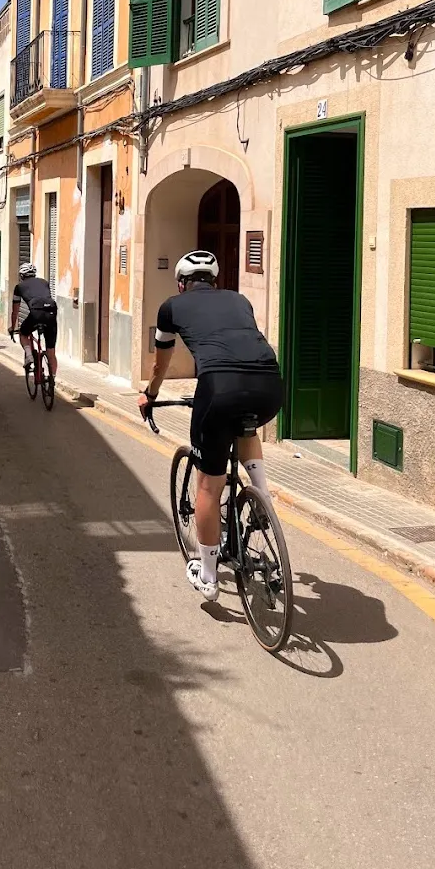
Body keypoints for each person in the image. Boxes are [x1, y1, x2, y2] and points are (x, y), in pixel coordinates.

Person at [139, 250, 283, 604]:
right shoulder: (240, 300)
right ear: (215, 281)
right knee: (245, 427)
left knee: (208, 486)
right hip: (270, 386)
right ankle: (261, 495)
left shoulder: (171, 307)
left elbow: (162, 362)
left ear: (181, 283)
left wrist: (150, 394)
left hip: (218, 389)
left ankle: (208, 577)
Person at [8, 263, 59, 376]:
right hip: (51, 311)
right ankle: (52, 381)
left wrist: (13, 327)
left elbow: (15, 311)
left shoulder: (19, 287)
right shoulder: (44, 282)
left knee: (23, 333)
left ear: (21, 276)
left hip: (36, 313)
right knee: (51, 351)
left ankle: (29, 356)